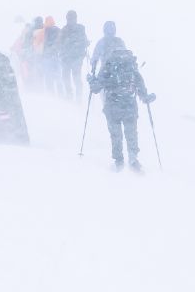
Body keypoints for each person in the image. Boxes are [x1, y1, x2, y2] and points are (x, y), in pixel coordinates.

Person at [89, 34, 155, 172]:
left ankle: (119, 160)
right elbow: (140, 84)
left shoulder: (108, 64)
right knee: (131, 132)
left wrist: (91, 80)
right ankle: (133, 158)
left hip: (113, 105)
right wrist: (146, 97)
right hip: (129, 104)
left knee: (115, 133)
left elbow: (96, 88)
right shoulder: (131, 64)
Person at [57, 10, 88, 97]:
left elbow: (59, 44)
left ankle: (71, 96)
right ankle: (75, 97)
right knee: (74, 78)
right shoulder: (80, 28)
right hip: (74, 58)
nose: (71, 20)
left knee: (69, 78)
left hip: (70, 58)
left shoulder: (64, 30)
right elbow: (84, 41)